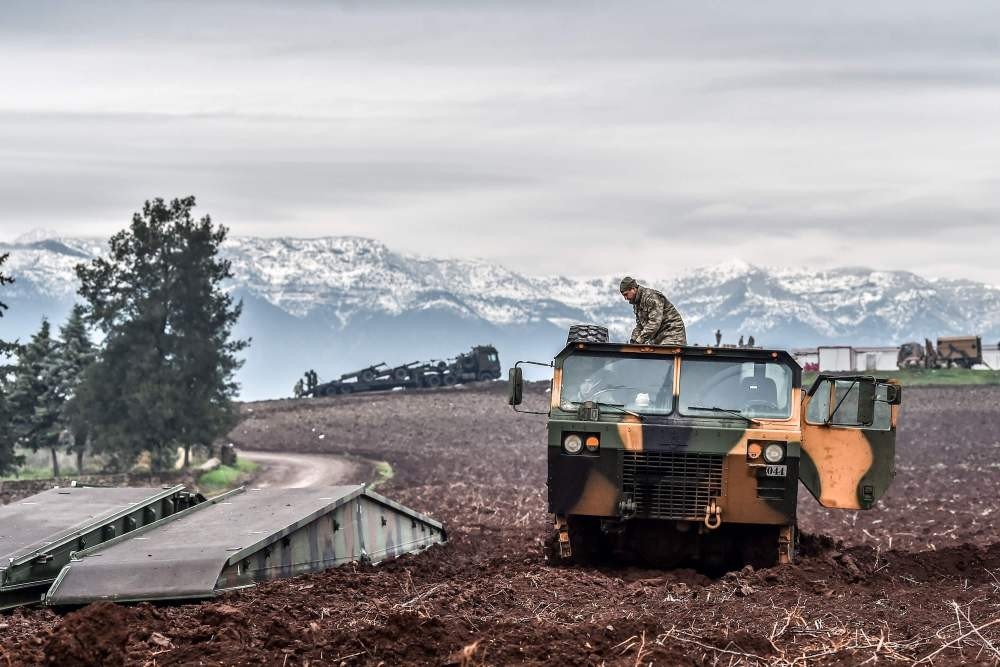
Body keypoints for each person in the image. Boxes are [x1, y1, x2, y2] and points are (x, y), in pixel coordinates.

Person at [619, 276, 687, 345]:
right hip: (658, 336)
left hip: (672, 333)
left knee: (663, 351)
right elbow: (640, 326)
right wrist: (633, 340)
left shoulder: (651, 297)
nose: (625, 298)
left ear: (633, 289)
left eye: (626, 294)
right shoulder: (637, 304)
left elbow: (654, 322)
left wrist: (639, 340)